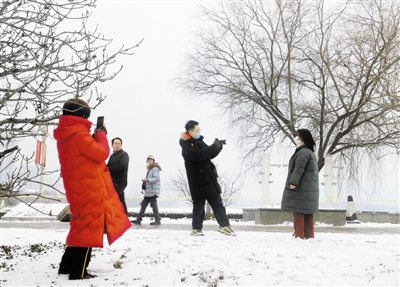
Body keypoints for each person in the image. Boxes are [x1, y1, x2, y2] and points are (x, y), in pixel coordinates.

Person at [53, 98, 131, 280]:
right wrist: (102, 135)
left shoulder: (67, 133)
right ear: (82, 115)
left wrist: (95, 136)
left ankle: (66, 266)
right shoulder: (78, 134)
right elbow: (101, 153)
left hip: (78, 186)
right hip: (88, 188)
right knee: (89, 226)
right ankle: (78, 272)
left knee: (80, 225)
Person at [179, 120, 236, 236]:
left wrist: (218, 146)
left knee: (218, 203)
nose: (199, 132)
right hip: (197, 181)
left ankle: (224, 226)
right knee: (199, 206)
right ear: (190, 131)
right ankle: (196, 229)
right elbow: (198, 156)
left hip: (209, 179)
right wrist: (213, 147)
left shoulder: (199, 142)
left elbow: (209, 155)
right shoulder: (186, 146)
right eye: (197, 130)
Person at [281, 129, 319, 239]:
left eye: (298, 136)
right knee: (308, 213)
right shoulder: (309, 152)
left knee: (298, 212)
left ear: (302, 138)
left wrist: (293, 182)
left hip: (301, 189)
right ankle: (309, 236)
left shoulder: (302, 153)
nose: (296, 138)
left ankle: (299, 235)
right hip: (308, 189)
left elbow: (298, 169)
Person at [131, 155, 162, 225]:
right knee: (144, 205)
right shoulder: (150, 169)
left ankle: (157, 220)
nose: (149, 161)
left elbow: (156, 178)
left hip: (153, 191)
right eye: (148, 159)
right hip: (149, 191)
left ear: (153, 160)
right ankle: (138, 219)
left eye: (151, 159)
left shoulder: (155, 169)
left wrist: (147, 180)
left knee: (153, 205)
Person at [107, 137, 129, 214]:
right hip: (113, 181)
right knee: (120, 199)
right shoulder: (112, 156)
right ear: (112, 145)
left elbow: (122, 166)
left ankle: (121, 216)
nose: (117, 145)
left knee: (114, 199)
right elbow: (107, 166)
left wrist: (108, 169)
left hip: (120, 182)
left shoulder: (124, 155)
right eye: (116, 144)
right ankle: (124, 216)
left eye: (119, 144)